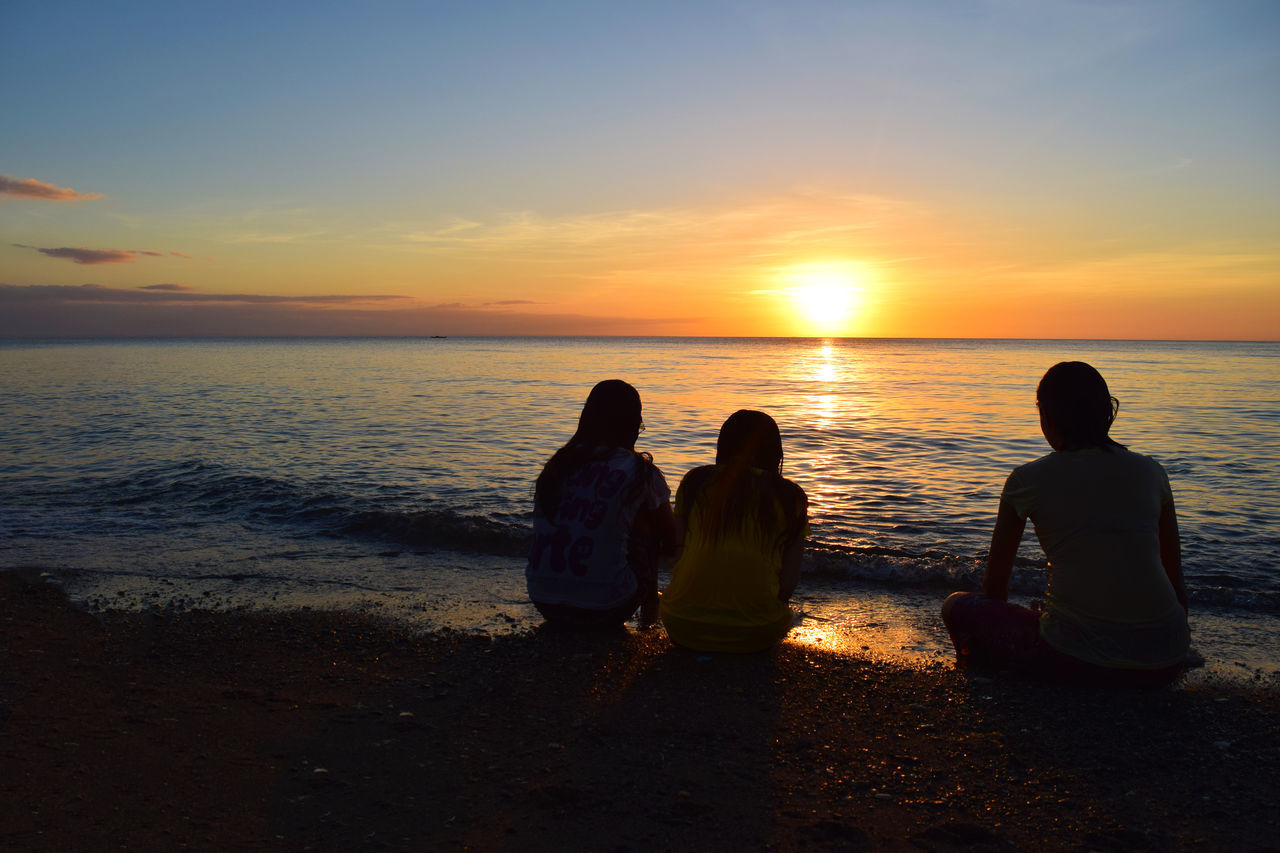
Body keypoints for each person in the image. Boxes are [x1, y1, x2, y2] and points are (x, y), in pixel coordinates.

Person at [942, 361, 1192, 686]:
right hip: (1167, 657)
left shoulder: (1025, 480)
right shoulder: (1152, 472)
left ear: (1046, 416)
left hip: (1076, 660)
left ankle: (985, 677)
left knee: (957, 606)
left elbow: (994, 590)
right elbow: (1176, 586)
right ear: (1107, 412)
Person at [527, 380, 675, 629]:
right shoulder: (639, 472)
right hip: (606, 607)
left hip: (544, 601)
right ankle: (650, 609)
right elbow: (670, 537)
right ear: (633, 424)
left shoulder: (558, 465)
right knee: (647, 523)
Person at [660, 410, 809, 653]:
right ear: (775, 452)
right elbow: (789, 581)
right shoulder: (789, 497)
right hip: (757, 633)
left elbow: (678, 555)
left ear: (723, 446)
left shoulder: (695, 482)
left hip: (681, 623)